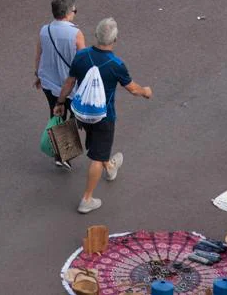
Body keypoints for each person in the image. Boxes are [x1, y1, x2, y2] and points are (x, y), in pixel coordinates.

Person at [53, 17, 153, 214]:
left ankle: (110, 166)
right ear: (115, 40)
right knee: (97, 156)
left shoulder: (81, 56)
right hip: (104, 116)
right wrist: (146, 91)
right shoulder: (116, 64)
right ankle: (87, 199)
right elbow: (133, 89)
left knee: (97, 144)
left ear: (96, 35)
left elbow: (69, 83)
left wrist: (60, 102)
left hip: (81, 111)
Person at [36, 0, 85, 169]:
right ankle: (65, 152)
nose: (75, 13)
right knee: (73, 115)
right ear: (67, 13)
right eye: (74, 11)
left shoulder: (44, 30)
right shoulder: (75, 34)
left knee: (56, 113)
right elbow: (83, 60)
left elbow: (39, 54)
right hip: (69, 85)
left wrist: (37, 75)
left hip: (49, 82)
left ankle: (61, 154)